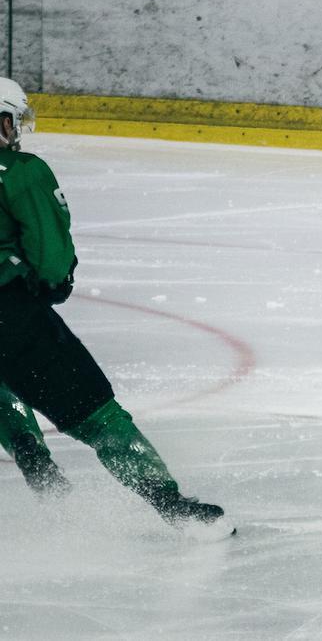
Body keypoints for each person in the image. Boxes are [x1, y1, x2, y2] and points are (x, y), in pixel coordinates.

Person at [0, 76, 233, 531]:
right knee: (95, 413)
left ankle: (39, 470)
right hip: (10, 312)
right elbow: (50, 251)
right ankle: (171, 505)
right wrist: (51, 284)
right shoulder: (20, 172)